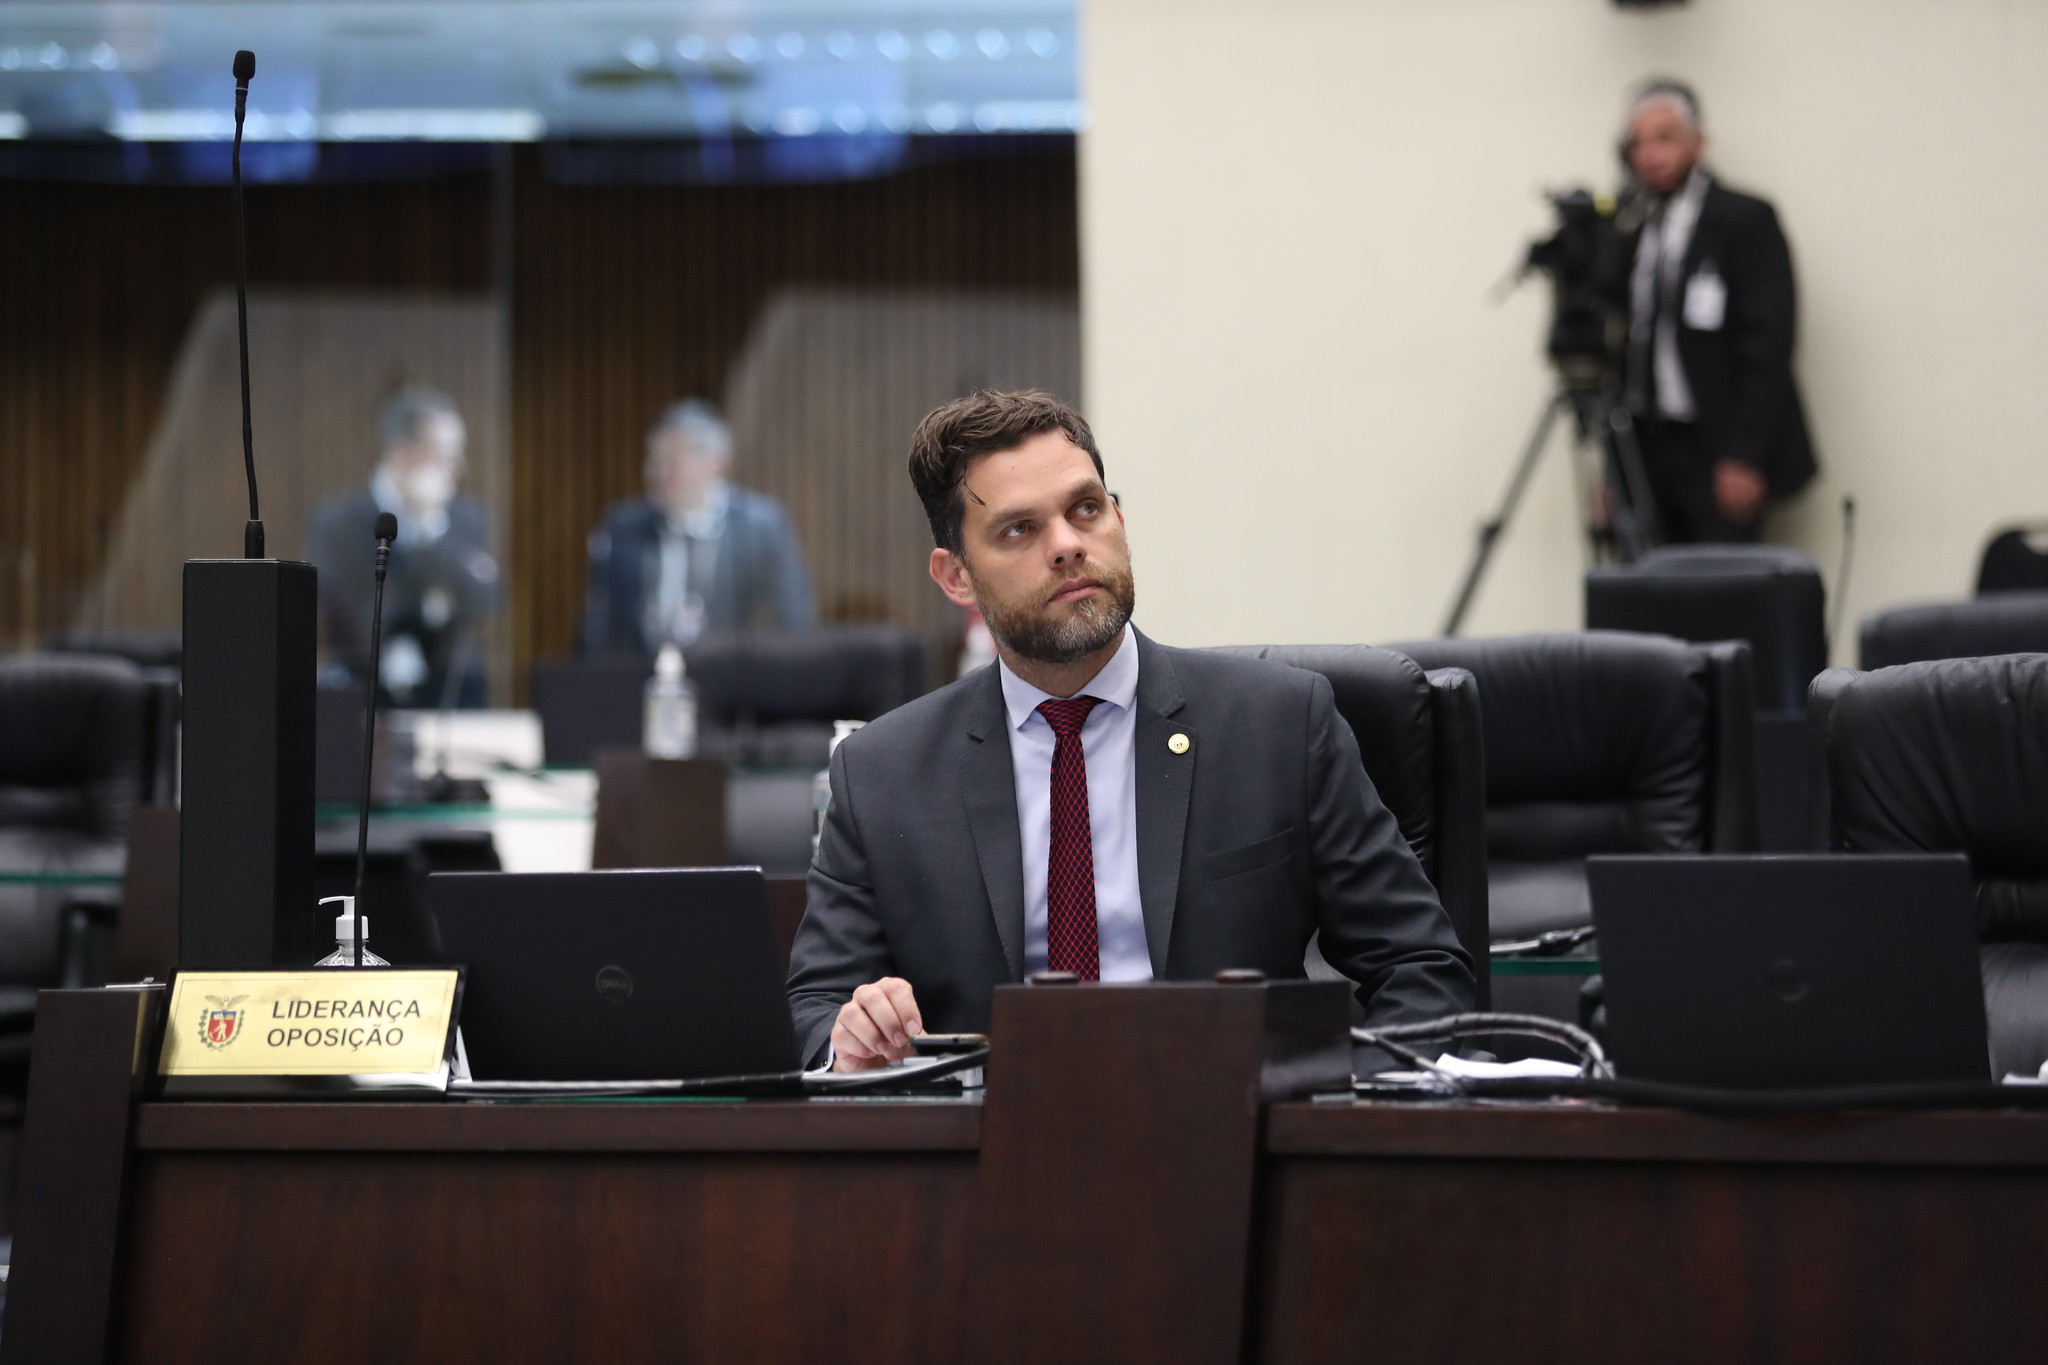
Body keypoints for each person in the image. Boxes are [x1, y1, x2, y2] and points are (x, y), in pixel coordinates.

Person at [786, 390, 1474, 1071]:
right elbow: (816, 1008)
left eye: (1085, 509)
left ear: (1119, 520)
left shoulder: (1280, 725)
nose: (1066, 545)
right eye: (1019, 530)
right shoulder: (880, 772)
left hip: (1232, 1120)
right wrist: (853, 1042)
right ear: (956, 576)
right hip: (993, 1128)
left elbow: (1421, 966)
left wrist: (1335, 1114)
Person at [1617, 79, 1817, 543]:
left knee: (1721, 575)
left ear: (1697, 142)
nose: (1650, 155)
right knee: (1650, 575)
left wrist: (1742, 455)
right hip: (1651, 445)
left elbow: (1767, 344)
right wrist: (1616, 471)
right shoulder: (1632, 226)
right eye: (1638, 144)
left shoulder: (1743, 220)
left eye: (1664, 138)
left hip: (1717, 447)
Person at [309, 386, 500, 707]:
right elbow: (343, 607)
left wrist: (431, 530)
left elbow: (484, 598)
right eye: (446, 455)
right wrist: (424, 611)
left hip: (452, 692)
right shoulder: (336, 523)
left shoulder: (467, 519)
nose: (459, 466)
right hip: (368, 688)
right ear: (402, 452)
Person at [579, 400, 816, 656]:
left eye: (672, 461)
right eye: (654, 460)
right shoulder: (624, 526)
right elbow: (597, 626)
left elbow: (793, 621)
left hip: (734, 675)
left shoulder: (761, 527)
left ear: (717, 463)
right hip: (644, 675)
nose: (658, 473)